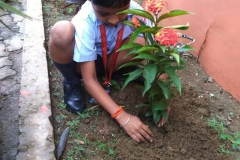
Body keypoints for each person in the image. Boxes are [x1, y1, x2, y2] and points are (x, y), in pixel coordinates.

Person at [49, 0, 167, 143]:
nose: (114, 20)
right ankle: (72, 81)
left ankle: (117, 71)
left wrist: (164, 98)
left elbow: (156, 55)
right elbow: (90, 80)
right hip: (84, 65)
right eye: (103, 13)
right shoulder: (85, 20)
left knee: (146, 42)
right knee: (61, 31)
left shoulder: (138, 12)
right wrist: (122, 117)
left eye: (122, 12)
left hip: (111, 57)